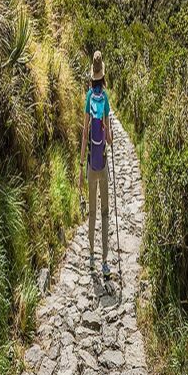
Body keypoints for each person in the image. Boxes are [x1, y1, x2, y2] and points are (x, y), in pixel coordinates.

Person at [79, 50, 113, 277]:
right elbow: (109, 137)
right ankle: (104, 261)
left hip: (92, 164)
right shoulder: (106, 99)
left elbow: (84, 133)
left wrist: (81, 162)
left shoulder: (89, 97)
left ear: (93, 76)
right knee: (104, 212)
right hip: (104, 166)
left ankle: (90, 256)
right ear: (103, 76)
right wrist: (111, 138)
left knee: (91, 212)